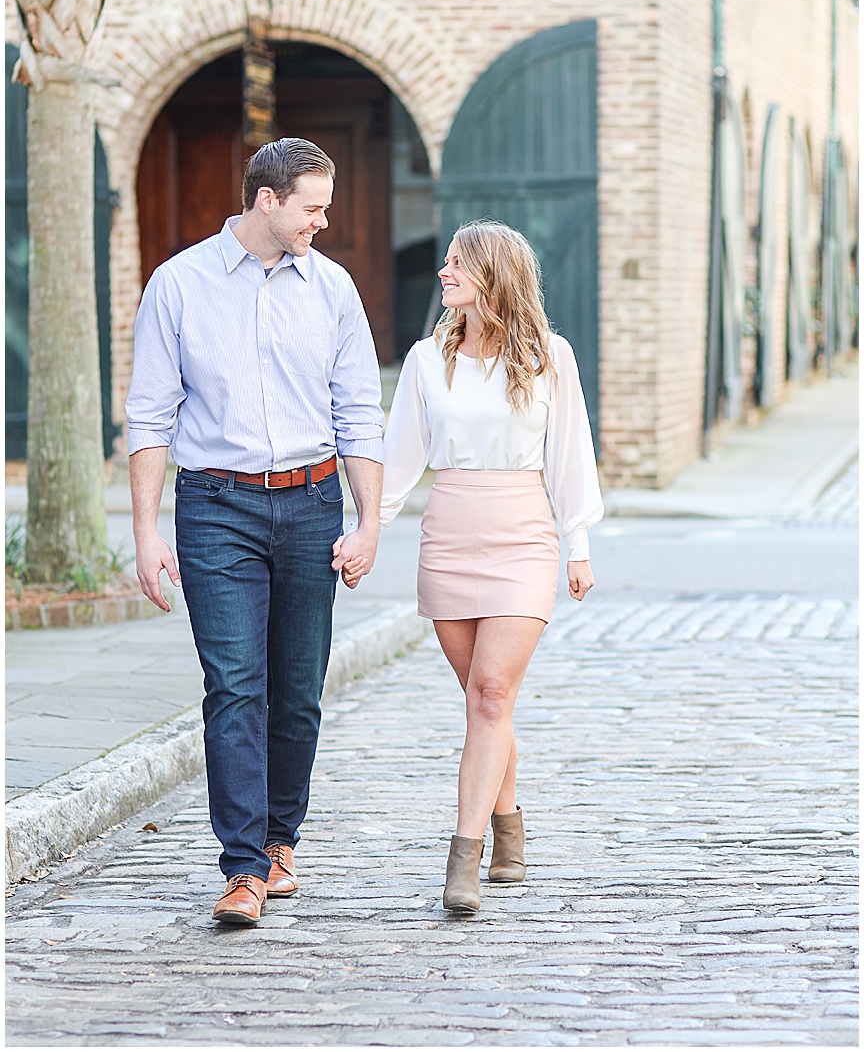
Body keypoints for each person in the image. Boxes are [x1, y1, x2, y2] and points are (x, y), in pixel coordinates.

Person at [126, 137, 383, 926]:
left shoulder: (334, 290)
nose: (324, 221)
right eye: (312, 207)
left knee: (298, 691)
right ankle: (241, 867)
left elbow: (358, 412)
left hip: (311, 504)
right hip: (216, 508)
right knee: (234, 685)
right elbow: (149, 414)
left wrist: (369, 518)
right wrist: (145, 530)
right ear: (266, 201)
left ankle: (279, 839)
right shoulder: (179, 286)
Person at [379, 220, 603, 913]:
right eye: (443, 262)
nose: (441, 272)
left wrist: (578, 541)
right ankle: (510, 827)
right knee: (483, 699)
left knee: (490, 695)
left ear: (491, 273)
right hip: (447, 534)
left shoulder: (548, 356)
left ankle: (464, 860)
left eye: (454, 263)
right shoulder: (425, 359)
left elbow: (570, 452)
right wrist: (367, 529)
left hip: (523, 537)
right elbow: (400, 457)